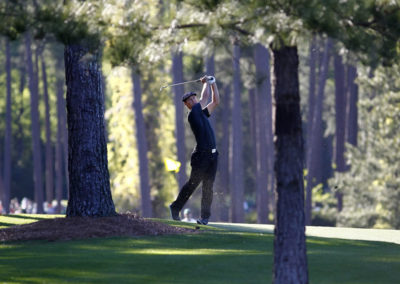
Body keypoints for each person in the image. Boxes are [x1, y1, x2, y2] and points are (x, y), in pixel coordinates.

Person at [169, 75, 220, 225]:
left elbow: (215, 101)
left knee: (208, 186)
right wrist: (206, 83)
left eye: (193, 98)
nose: (193, 101)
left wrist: (213, 83)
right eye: (189, 100)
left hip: (212, 155)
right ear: (187, 105)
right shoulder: (193, 115)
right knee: (193, 183)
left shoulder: (202, 114)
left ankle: (204, 217)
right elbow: (204, 98)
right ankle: (175, 206)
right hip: (201, 156)